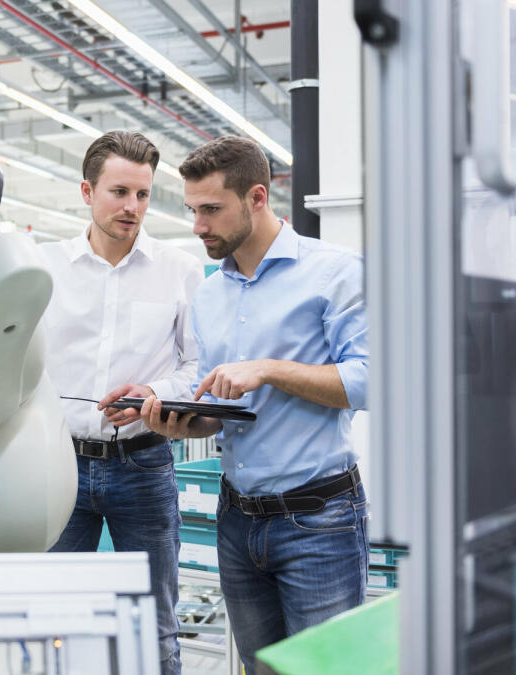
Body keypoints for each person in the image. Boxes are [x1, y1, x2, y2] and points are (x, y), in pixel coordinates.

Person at [140, 136, 369, 674]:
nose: (198, 226)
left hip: (319, 522)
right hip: (238, 522)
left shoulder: (333, 272)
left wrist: (268, 369)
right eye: (194, 210)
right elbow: (218, 399)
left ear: (258, 197)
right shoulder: (211, 294)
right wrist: (176, 419)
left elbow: (369, 379)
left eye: (212, 210)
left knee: (327, 670)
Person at [39, 130, 203, 675]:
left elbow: (197, 366)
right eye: (119, 192)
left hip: (144, 464)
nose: (132, 208)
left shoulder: (180, 270)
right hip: (57, 466)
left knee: (155, 627)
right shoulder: (45, 269)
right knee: (55, 624)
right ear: (87, 191)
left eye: (143, 195)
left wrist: (156, 393)